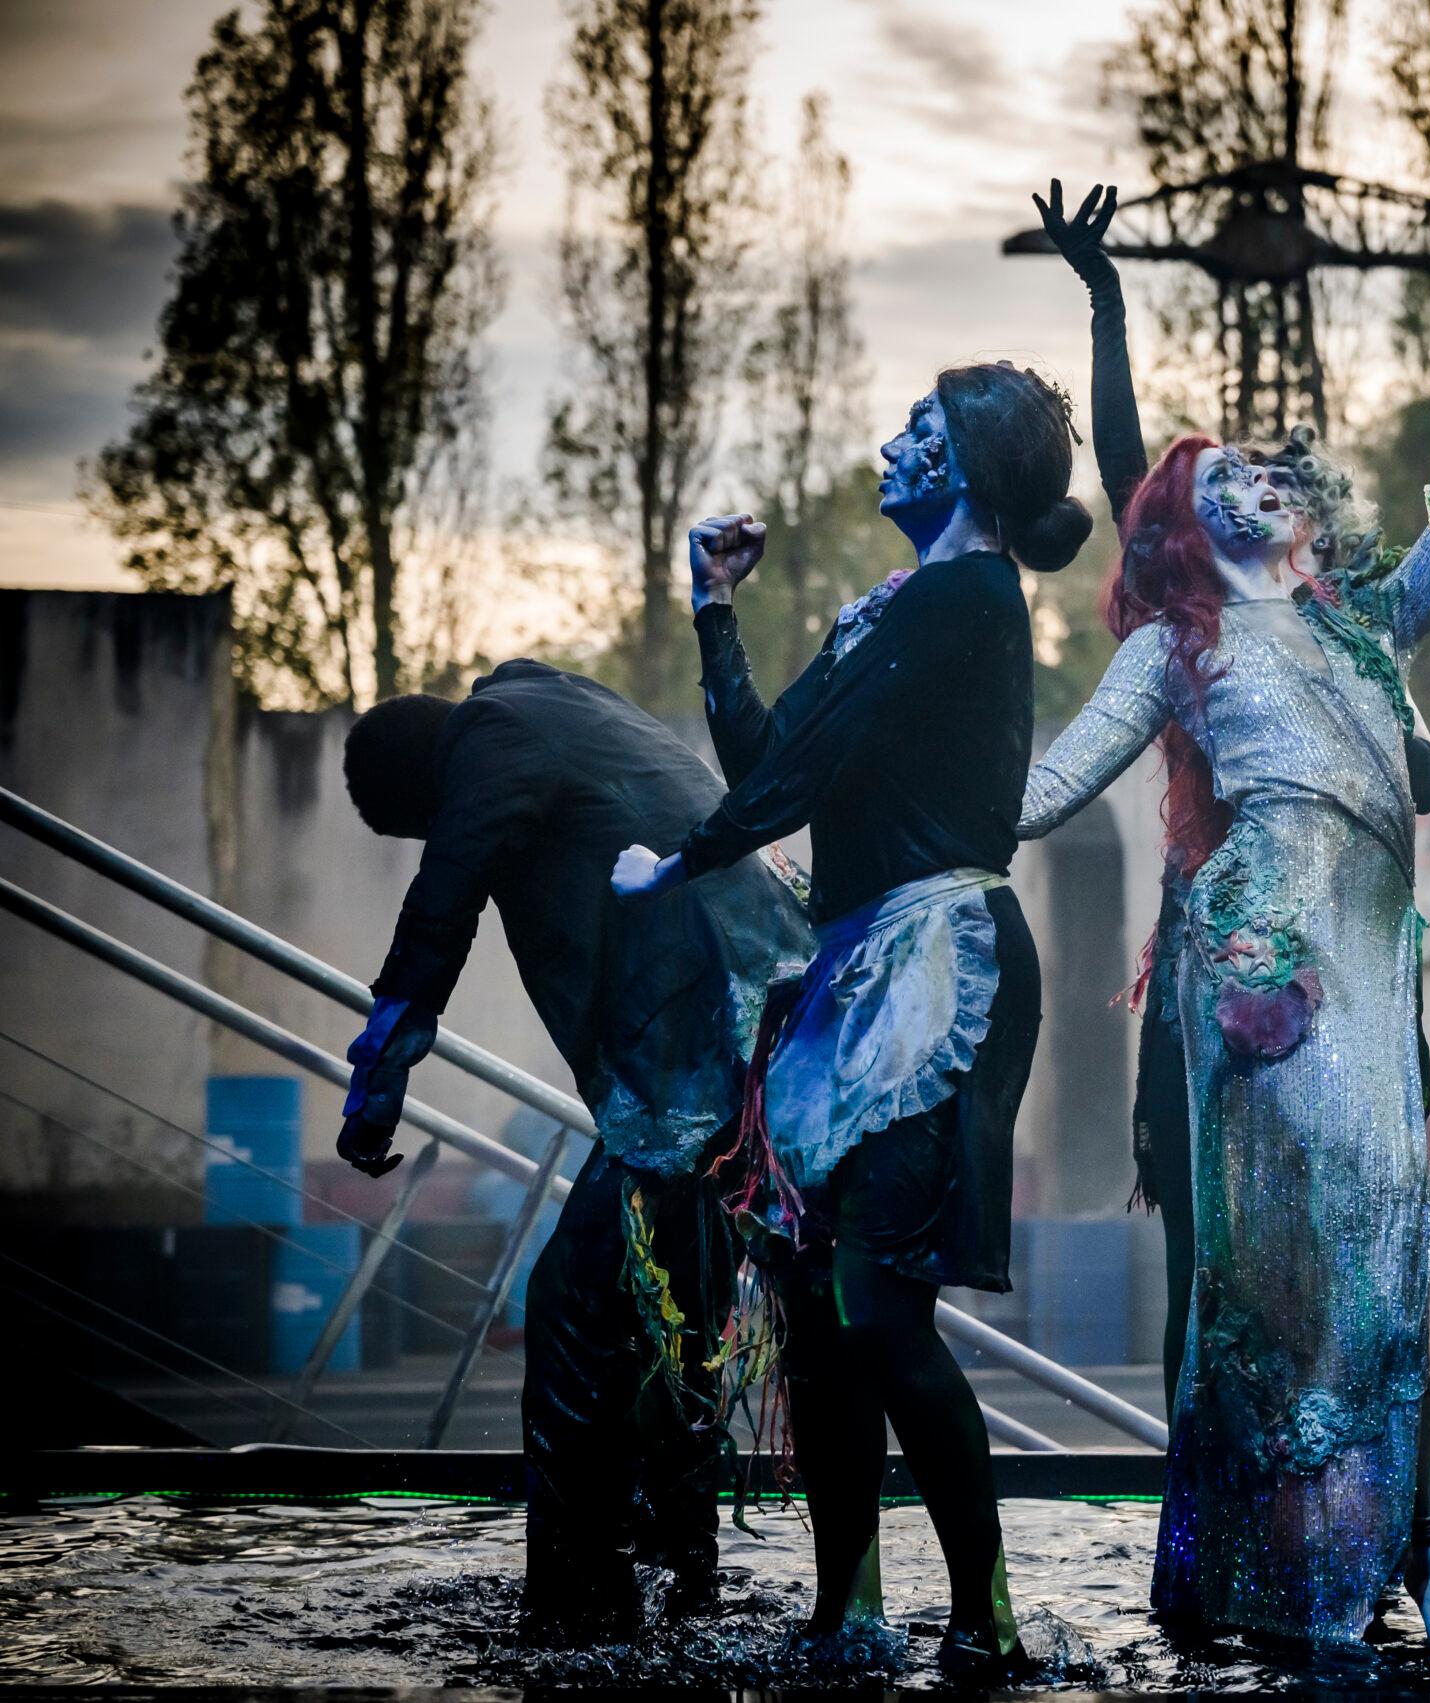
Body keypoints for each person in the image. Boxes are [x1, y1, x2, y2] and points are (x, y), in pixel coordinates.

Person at [1017, 201, 1430, 1653]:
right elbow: (1060, 775)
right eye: (1218, 478)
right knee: (1271, 1271)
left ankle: (1351, 1554)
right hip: (1257, 961)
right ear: (1194, 522)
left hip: (1380, 973)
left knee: (1374, 1250)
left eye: (1268, 468)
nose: (1246, 477)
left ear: (1309, 509)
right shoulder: (1173, 640)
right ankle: (1316, 1575)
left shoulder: (1371, 624)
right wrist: (912, 836)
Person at [609, 360, 1087, 1676]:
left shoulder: (970, 595)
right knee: (820, 1314)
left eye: (918, 431)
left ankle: (982, 1609)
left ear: (968, 468)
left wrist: (689, 859)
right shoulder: (892, 606)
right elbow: (776, 759)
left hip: (943, 964)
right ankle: (846, 1606)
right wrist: (715, 613)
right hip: (852, 970)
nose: (887, 444)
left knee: (878, 1305)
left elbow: (790, 777)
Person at [335, 665, 815, 1642]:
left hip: (700, 1052)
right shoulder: (550, 694)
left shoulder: (488, 739)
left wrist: (377, 1079)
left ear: (427, 781)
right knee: (664, 1316)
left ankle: (576, 1605)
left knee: (571, 1307)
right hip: (757, 1019)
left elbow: (445, 898)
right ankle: (682, 1587)